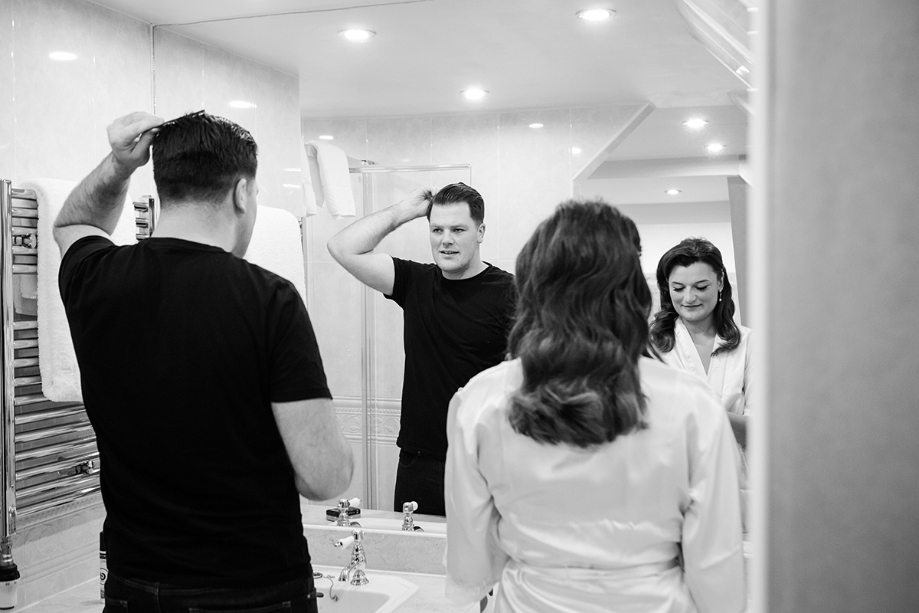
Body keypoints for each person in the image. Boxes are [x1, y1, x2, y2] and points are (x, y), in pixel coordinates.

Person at [54, 111, 353, 613]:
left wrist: (118, 165)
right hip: (253, 592)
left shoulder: (96, 281)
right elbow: (324, 478)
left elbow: (73, 223)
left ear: (164, 186)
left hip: (134, 591)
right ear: (241, 192)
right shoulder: (269, 299)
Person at [445, 200, 745, 612]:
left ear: (532, 290)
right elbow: (718, 578)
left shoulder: (481, 400)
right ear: (635, 294)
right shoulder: (692, 405)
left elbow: (471, 567)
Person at [328, 182, 515, 516]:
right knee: (414, 557)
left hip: (484, 461)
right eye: (437, 229)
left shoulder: (510, 293)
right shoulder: (415, 281)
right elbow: (342, 247)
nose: (446, 240)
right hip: (419, 462)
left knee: (482, 563)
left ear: (480, 231)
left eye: (458, 229)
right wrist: (403, 212)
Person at [649, 238, 751, 451]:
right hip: (675, 476)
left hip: (739, 478)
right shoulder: (651, 346)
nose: (689, 298)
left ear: (720, 282)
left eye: (700, 287)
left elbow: (759, 431)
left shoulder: (750, 344)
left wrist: (694, 408)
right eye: (678, 288)